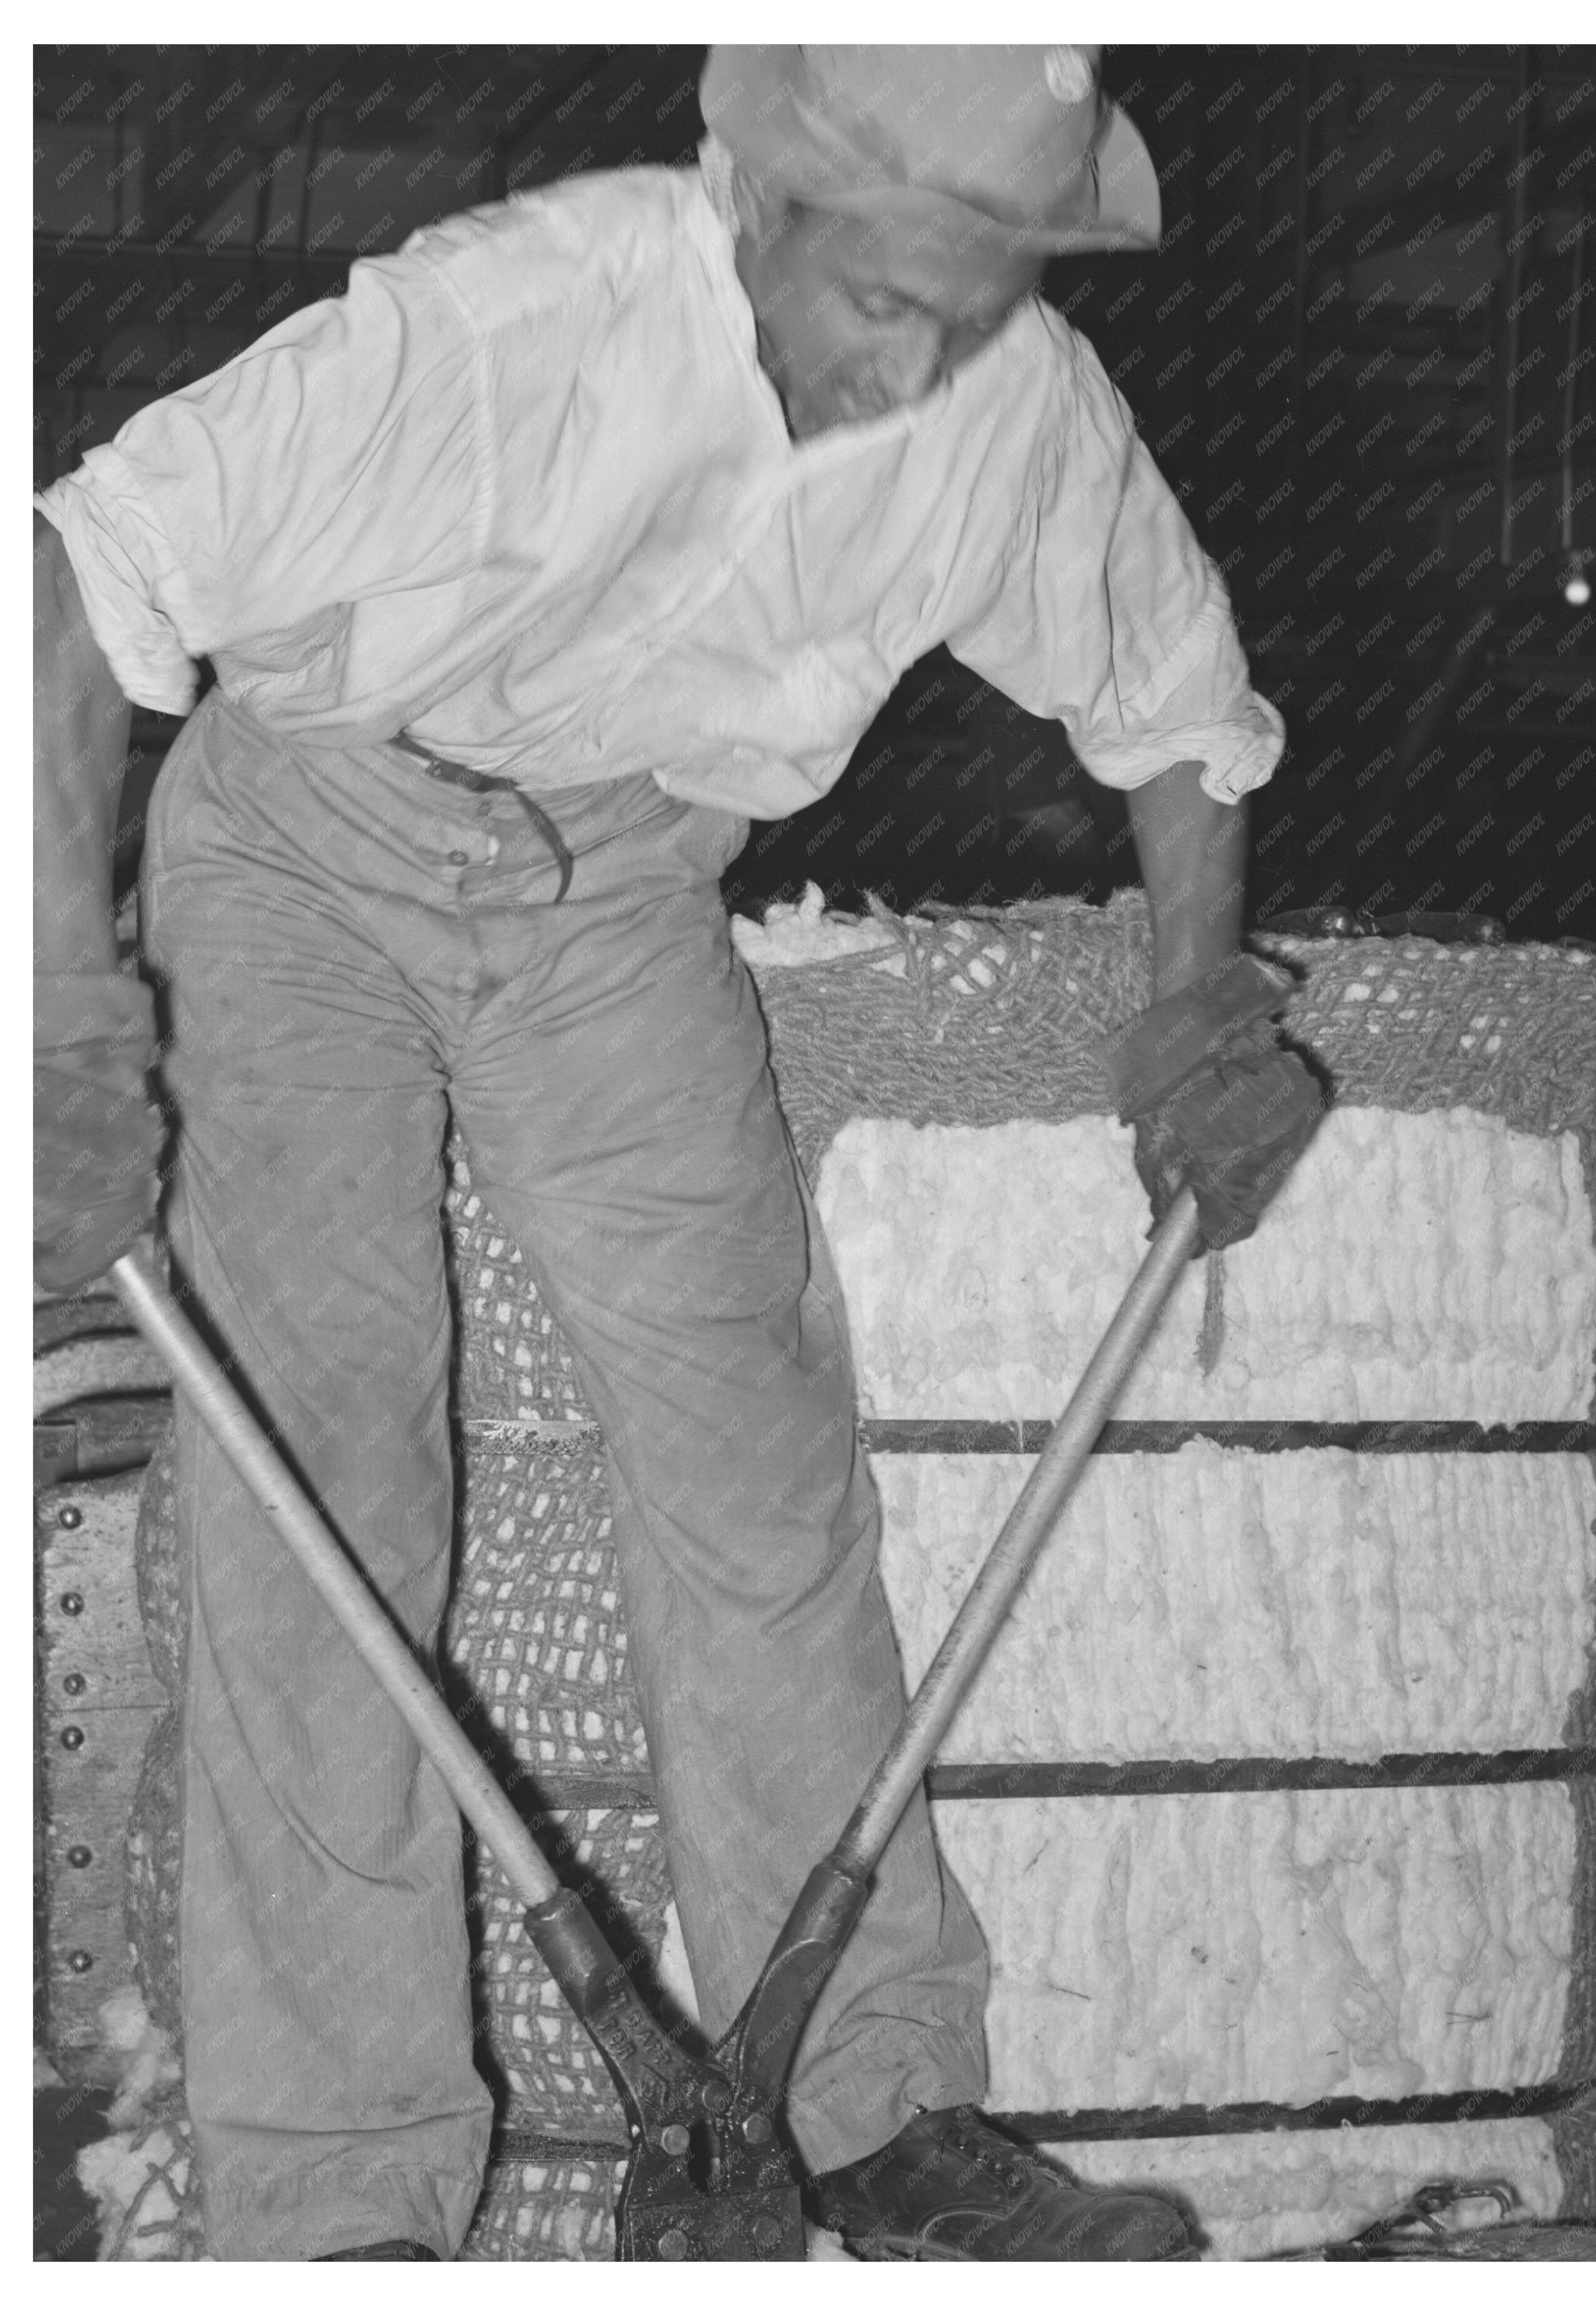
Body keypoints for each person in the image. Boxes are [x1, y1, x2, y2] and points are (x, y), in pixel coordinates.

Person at [34, 46, 1320, 2262]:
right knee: (322, 1469)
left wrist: (1198, 992)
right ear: (749, 200)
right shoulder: (499, 330)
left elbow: (1176, 704)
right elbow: (70, 586)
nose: (911, 358)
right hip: (309, 832)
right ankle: (340, 2193)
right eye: (874, 293)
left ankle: (866, 2098)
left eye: (975, 295)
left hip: (616, 877)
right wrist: (56, 1009)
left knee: (752, 1437)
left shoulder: (1010, 409)